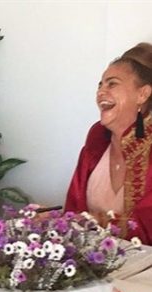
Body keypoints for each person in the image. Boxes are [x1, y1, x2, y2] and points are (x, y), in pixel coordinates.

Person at [65, 42, 152, 244]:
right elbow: (73, 209)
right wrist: (52, 220)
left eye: (112, 84)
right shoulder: (97, 137)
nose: (100, 93)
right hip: (89, 259)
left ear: (142, 94)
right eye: (100, 85)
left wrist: (102, 223)